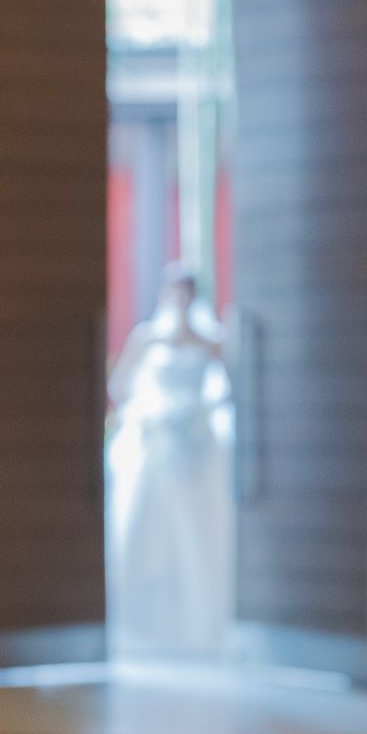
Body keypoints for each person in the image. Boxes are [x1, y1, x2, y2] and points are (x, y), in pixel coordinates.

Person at [105, 263, 236, 661]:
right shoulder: (147, 338)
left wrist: (198, 411)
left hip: (193, 447)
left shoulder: (210, 340)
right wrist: (149, 411)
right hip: (156, 443)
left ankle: (197, 625)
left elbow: (230, 389)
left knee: (193, 535)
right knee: (143, 532)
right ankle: (141, 626)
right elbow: (119, 386)